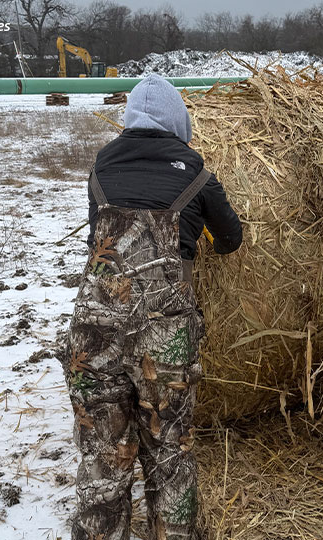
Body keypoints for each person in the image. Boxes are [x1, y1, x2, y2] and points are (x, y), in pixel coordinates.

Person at [61, 73, 242, 540]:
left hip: (94, 332)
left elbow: (97, 240)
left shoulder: (101, 170)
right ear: (179, 123)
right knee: (169, 453)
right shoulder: (198, 176)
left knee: (104, 458)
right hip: (163, 338)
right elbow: (231, 238)